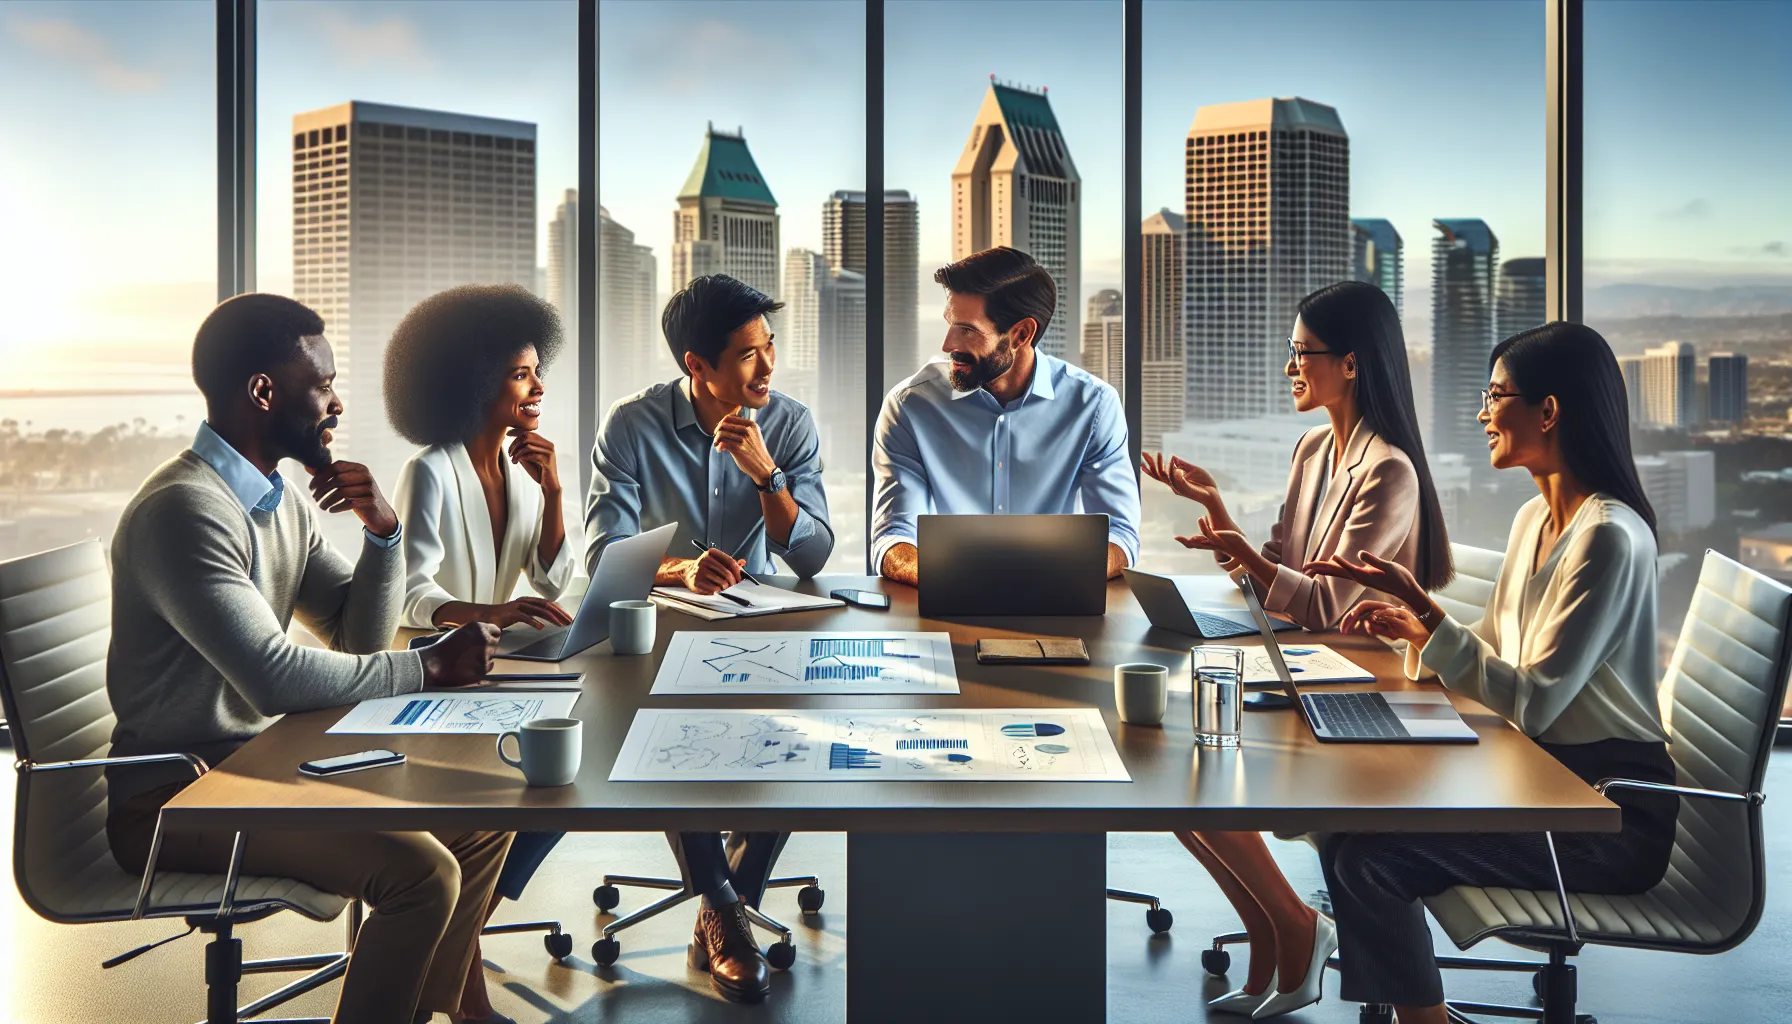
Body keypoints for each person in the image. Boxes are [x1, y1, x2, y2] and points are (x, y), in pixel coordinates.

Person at [104, 293, 514, 1024]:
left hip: (261, 766)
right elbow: (273, 676)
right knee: (422, 876)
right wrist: (426, 667)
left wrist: (384, 535)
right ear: (265, 391)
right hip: (177, 798)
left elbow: (354, 639)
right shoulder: (185, 510)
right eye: (322, 383)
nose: (336, 401)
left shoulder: (277, 501)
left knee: (487, 813)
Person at [1302, 321, 1677, 1024]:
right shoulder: (1537, 518)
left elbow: (1532, 703)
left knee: (1365, 860)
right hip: (1543, 782)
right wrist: (1421, 630)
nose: (1482, 413)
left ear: (1550, 411)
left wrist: (1432, 619)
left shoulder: (1607, 538)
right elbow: (1505, 657)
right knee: (1344, 829)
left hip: (1606, 816)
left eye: (1496, 395)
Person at [1139, 280, 1454, 1017]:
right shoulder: (1315, 448)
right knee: (1181, 783)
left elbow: (1326, 606)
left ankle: (1293, 926)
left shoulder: (1389, 471)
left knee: (1198, 777)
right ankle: (1274, 930)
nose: (1290, 367)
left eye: (1301, 353)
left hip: (1361, 686)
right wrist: (1218, 512)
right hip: (1307, 666)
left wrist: (1247, 554)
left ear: (1349, 362)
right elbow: (1281, 561)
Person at [585, 273, 832, 1003]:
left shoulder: (786, 423)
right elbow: (604, 553)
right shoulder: (630, 425)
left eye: (771, 346)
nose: (768, 366)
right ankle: (725, 911)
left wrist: (768, 475)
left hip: (760, 627)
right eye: (749, 354)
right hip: (659, 627)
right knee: (669, 725)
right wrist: (679, 567)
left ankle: (726, 899)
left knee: (802, 731)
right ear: (697, 365)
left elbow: (812, 554)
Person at [385, 284, 581, 1021]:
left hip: (492, 678)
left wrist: (555, 490)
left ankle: (453, 932)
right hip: (431, 683)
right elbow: (410, 599)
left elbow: (554, 578)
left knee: (562, 784)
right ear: (475, 383)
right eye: (521, 374)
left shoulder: (519, 471)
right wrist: (491, 613)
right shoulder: (431, 471)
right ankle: (466, 999)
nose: (538, 386)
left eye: (538, 371)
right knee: (510, 795)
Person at [872, 246, 1140, 584]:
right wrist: (960, 580)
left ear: (1021, 334)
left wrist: (1047, 580)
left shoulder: (1094, 407)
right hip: (948, 596)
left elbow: (1121, 535)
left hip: (1058, 602)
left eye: (967, 330)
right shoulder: (909, 407)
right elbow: (893, 537)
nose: (948, 343)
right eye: (950, 324)